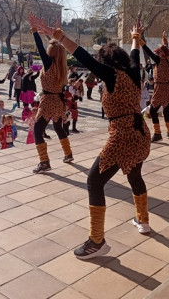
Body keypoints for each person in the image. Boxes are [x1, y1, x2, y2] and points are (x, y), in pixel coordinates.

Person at [29, 15, 151, 260]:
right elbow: (136, 53)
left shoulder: (111, 75)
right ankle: (143, 220)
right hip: (141, 134)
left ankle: (97, 241)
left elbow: (82, 54)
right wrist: (135, 38)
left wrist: (60, 36)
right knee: (134, 175)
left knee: (94, 182)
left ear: (106, 62)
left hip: (123, 136)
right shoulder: (135, 72)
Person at [28, 14, 74, 174]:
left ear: (51, 53)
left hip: (48, 100)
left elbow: (40, 48)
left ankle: (44, 162)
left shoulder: (49, 65)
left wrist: (34, 31)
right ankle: (68, 154)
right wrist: (52, 34)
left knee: (37, 131)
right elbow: (53, 47)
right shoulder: (61, 66)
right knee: (58, 127)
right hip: (58, 101)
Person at [142, 32, 169, 141]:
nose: (158, 51)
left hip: (160, 88)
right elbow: (167, 50)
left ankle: (157, 133)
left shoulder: (159, 60)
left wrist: (141, 42)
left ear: (161, 53)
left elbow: (149, 52)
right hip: (168, 89)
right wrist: (165, 41)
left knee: (152, 111)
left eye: (159, 50)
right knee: (165, 110)